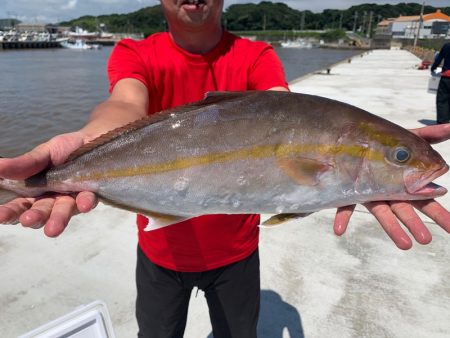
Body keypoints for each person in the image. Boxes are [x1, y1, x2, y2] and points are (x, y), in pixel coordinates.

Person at [1, 1, 450, 337]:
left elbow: (288, 112)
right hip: (160, 252)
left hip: (236, 255)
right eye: (400, 157)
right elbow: (124, 104)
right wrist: (83, 146)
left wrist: (359, 184)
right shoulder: (135, 53)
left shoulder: (255, 56)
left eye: (398, 157)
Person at [431, 42, 450, 124]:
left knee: (442, 100)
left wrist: (433, 68)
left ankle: (442, 122)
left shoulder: (447, 46)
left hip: (447, 77)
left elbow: (439, 58)